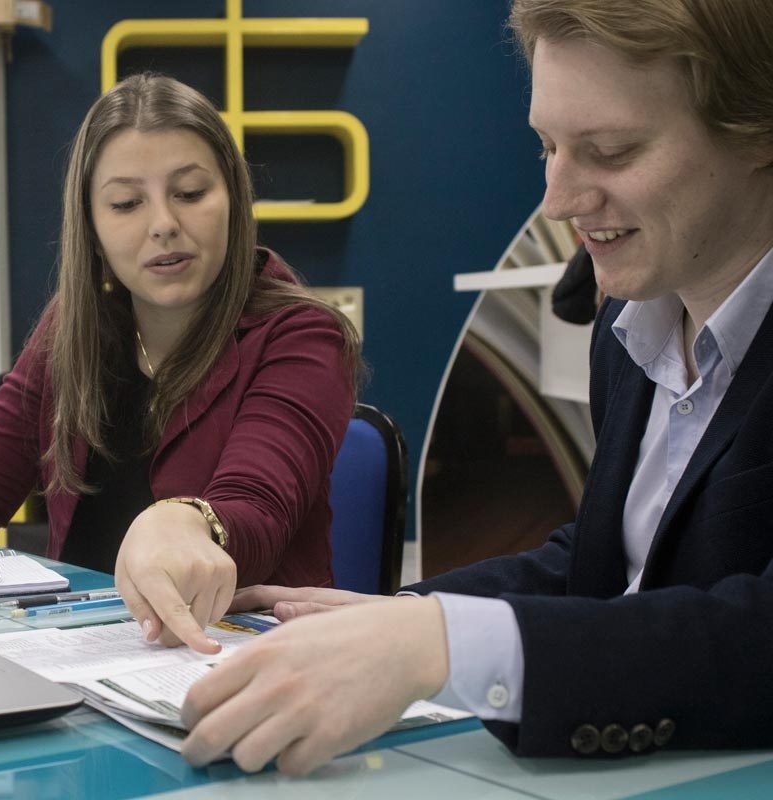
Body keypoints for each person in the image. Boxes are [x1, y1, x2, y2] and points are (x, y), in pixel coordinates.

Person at [181, 0, 773, 775]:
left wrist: (448, 647)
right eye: (548, 147)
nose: (560, 200)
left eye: (611, 151)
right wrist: (414, 618)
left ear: (759, 130)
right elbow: (616, 562)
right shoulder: (630, 327)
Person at [0, 73, 363, 653]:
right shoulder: (75, 327)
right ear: (92, 226)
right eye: (126, 203)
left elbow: (258, 507)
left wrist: (186, 519)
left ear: (234, 201)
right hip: (89, 653)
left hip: (249, 659)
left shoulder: (304, 336)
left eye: (191, 193)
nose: (163, 223)